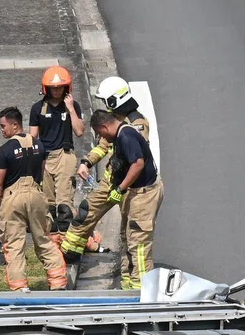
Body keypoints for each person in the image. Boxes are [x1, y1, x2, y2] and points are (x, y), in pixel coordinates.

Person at [66, 108, 162, 287]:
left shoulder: (126, 136)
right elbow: (104, 150)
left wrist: (120, 188)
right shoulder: (118, 135)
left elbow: (138, 164)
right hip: (134, 193)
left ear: (104, 127)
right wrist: (87, 163)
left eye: (101, 134)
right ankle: (128, 285)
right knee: (128, 239)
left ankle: (141, 290)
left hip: (143, 195)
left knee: (138, 245)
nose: (103, 138)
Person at [65, 77, 153, 262]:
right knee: (87, 211)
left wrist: (121, 188)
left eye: (107, 101)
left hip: (127, 184)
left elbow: (137, 158)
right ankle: (69, 252)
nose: (106, 105)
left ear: (114, 99)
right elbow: (103, 146)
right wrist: (86, 162)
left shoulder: (137, 123)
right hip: (110, 181)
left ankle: (130, 269)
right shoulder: (112, 120)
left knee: (129, 230)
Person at [0, 107, 68, 290]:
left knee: (15, 246)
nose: (2, 130)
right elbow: (41, 172)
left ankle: (20, 288)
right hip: (36, 195)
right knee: (44, 240)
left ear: (15, 125)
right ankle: (59, 282)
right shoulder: (39, 145)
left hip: (13, 198)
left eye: (3, 126)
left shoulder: (5, 150)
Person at [29, 65, 84, 231]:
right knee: (48, 203)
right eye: (53, 88)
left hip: (64, 155)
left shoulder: (73, 106)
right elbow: (33, 137)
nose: (57, 91)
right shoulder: (37, 108)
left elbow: (79, 131)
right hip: (45, 157)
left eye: (60, 87)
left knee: (64, 202)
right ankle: (52, 236)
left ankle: (66, 233)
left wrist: (71, 109)